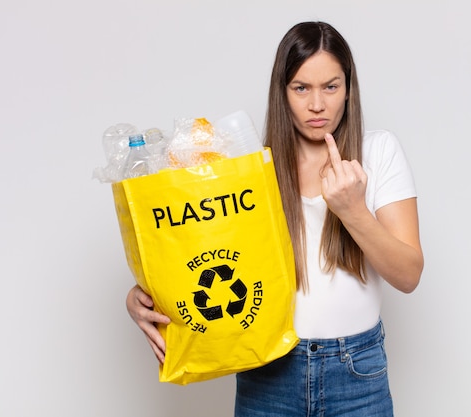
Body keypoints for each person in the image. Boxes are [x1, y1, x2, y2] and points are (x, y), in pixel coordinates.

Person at [126, 21, 423, 416]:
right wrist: (142, 297)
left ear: (349, 89)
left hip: (356, 372)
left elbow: (408, 275)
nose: (317, 104)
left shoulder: (378, 151)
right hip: (269, 370)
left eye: (331, 87)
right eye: (301, 88)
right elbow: (201, 252)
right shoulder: (249, 166)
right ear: (282, 92)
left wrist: (353, 210)